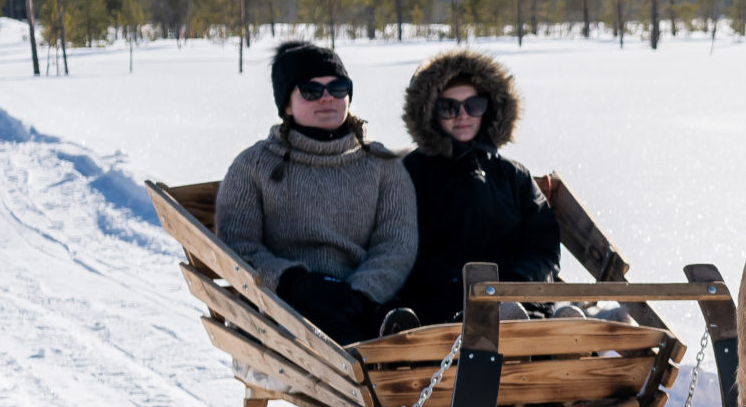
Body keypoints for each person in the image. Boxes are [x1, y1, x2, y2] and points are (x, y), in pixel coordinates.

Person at [216, 40, 419, 345]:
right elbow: (238, 245)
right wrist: (295, 282)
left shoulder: (380, 163)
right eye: (311, 90)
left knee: (406, 318)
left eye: (338, 88)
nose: (327, 98)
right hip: (288, 303)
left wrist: (361, 292)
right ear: (286, 103)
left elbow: (396, 243)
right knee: (328, 324)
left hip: (364, 299)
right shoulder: (253, 165)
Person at [394, 49, 560, 326]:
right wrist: (457, 286)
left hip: (512, 299)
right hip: (438, 309)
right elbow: (399, 245)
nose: (463, 115)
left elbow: (542, 246)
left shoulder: (513, 176)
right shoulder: (410, 173)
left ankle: (555, 327)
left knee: (522, 315)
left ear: (490, 108)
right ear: (430, 111)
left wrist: (515, 285)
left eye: (474, 105)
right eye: (449, 107)